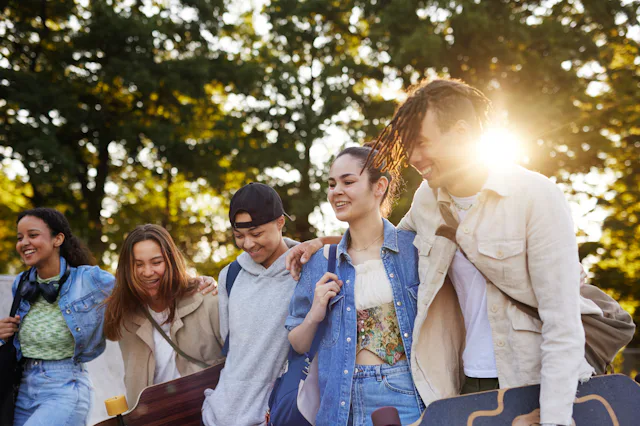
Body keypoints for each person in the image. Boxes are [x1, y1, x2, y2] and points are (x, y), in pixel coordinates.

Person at [288, 79, 599, 426]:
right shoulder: (428, 199)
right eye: (409, 146)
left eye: (421, 143)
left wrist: (555, 416)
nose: (413, 157)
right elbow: (380, 240)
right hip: (463, 384)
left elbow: (562, 323)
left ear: (462, 133)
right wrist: (324, 242)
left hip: (532, 382)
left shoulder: (536, 197)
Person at [286, 146, 423, 426]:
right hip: (339, 403)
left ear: (379, 186)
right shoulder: (320, 263)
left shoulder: (414, 251)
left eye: (348, 182)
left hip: (404, 395)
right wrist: (315, 313)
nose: (336, 191)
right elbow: (297, 343)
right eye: (332, 184)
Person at [0, 207, 114, 426]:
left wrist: (194, 282)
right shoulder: (21, 283)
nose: (24, 242)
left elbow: (135, 290)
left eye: (33, 235)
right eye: (20, 237)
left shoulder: (90, 279)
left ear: (58, 239)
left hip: (64, 387)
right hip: (23, 388)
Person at [201, 183, 300, 426]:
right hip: (219, 414)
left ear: (280, 222)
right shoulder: (230, 275)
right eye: (239, 236)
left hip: (278, 415)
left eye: (256, 234)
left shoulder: (305, 269)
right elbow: (231, 345)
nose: (248, 244)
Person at [103, 224, 224, 407]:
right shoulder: (123, 314)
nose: (148, 272)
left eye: (156, 262)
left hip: (208, 414)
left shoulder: (208, 301)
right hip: (156, 417)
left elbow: (241, 360)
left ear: (170, 261)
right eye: (138, 264)